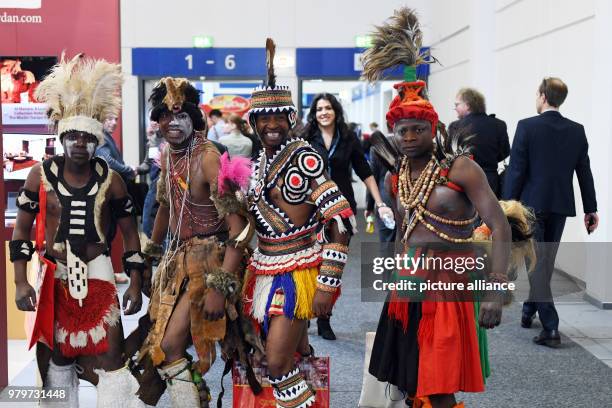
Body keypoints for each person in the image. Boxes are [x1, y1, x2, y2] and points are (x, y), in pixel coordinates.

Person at [361, 9, 511, 408]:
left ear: (434, 128)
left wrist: (496, 291)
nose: (409, 137)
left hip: (449, 285)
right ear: (393, 131)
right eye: (402, 130)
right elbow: (405, 231)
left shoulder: (459, 168)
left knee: (439, 382)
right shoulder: (398, 176)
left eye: (418, 129)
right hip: (408, 282)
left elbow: (499, 225)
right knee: (410, 377)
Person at [11, 53, 145, 407]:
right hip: (54, 272)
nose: (79, 145)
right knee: (55, 356)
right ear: (61, 137)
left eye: (86, 138)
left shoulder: (111, 180)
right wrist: (21, 280)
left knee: (111, 355)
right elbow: (22, 230)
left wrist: (136, 282)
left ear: (96, 140)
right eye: (72, 137)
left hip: (99, 269)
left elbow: (131, 235)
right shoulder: (40, 175)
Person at [243, 38, 355, 408]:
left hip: (298, 274)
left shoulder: (305, 157)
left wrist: (327, 285)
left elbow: (340, 219)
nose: (272, 124)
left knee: (276, 363)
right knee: (279, 358)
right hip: (263, 271)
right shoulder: (258, 162)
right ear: (254, 122)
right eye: (264, 118)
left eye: (279, 117)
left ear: (291, 119)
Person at [134, 77, 259, 407]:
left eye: (181, 116)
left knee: (173, 347)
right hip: (179, 258)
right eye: (165, 116)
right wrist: (150, 256)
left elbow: (241, 229)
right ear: (157, 121)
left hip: (212, 260)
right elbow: (164, 205)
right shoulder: (167, 153)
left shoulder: (207, 157)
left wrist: (220, 286)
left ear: (194, 119)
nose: (172, 123)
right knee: (161, 344)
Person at [503, 77, 598, 347]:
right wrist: (591, 209)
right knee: (543, 263)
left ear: (543, 96)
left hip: (531, 207)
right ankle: (528, 310)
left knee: (538, 265)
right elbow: (584, 172)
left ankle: (551, 327)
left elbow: (517, 170)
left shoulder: (527, 126)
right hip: (560, 206)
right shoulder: (576, 130)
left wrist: (507, 206)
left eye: (536, 93)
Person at [304, 92, 394, 340]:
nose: (324, 112)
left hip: (342, 212)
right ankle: (305, 313)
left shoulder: (348, 139)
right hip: (311, 210)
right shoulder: (305, 138)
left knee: (333, 265)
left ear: (336, 111)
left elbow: (365, 172)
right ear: (314, 113)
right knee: (311, 263)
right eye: (320, 108)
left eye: (328, 108)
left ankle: (324, 319)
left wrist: (379, 202)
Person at [96, 113, 138, 284]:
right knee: (105, 234)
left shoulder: (105, 137)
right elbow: (107, 160)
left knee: (109, 234)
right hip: (105, 195)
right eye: (109, 118)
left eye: (116, 119)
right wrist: (128, 170)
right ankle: (105, 275)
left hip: (109, 193)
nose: (113, 122)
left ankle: (108, 274)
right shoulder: (100, 138)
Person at [449, 88, 510, 198]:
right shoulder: (499, 124)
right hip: (490, 181)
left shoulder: (455, 126)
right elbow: (505, 152)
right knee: (490, 214)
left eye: (457, 104)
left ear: (467, 105)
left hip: (462, 181)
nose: (455, 108)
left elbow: (449, 155)